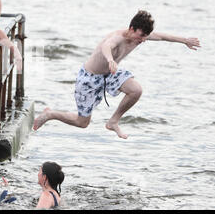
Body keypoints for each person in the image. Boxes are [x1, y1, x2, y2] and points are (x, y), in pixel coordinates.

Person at [33, 10, 201, 139]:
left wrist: (184, 40)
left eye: (146, 36)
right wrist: (110, 60)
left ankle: (113, 121)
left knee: (136, 90)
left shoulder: (140, 37)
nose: (143, 40)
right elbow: (107, 45)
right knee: (82, 122)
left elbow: (164, 36)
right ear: (132, 29)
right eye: (141, 35)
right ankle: (51, 114)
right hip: (89, 78)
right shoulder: (118, 37)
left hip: (109, 74)